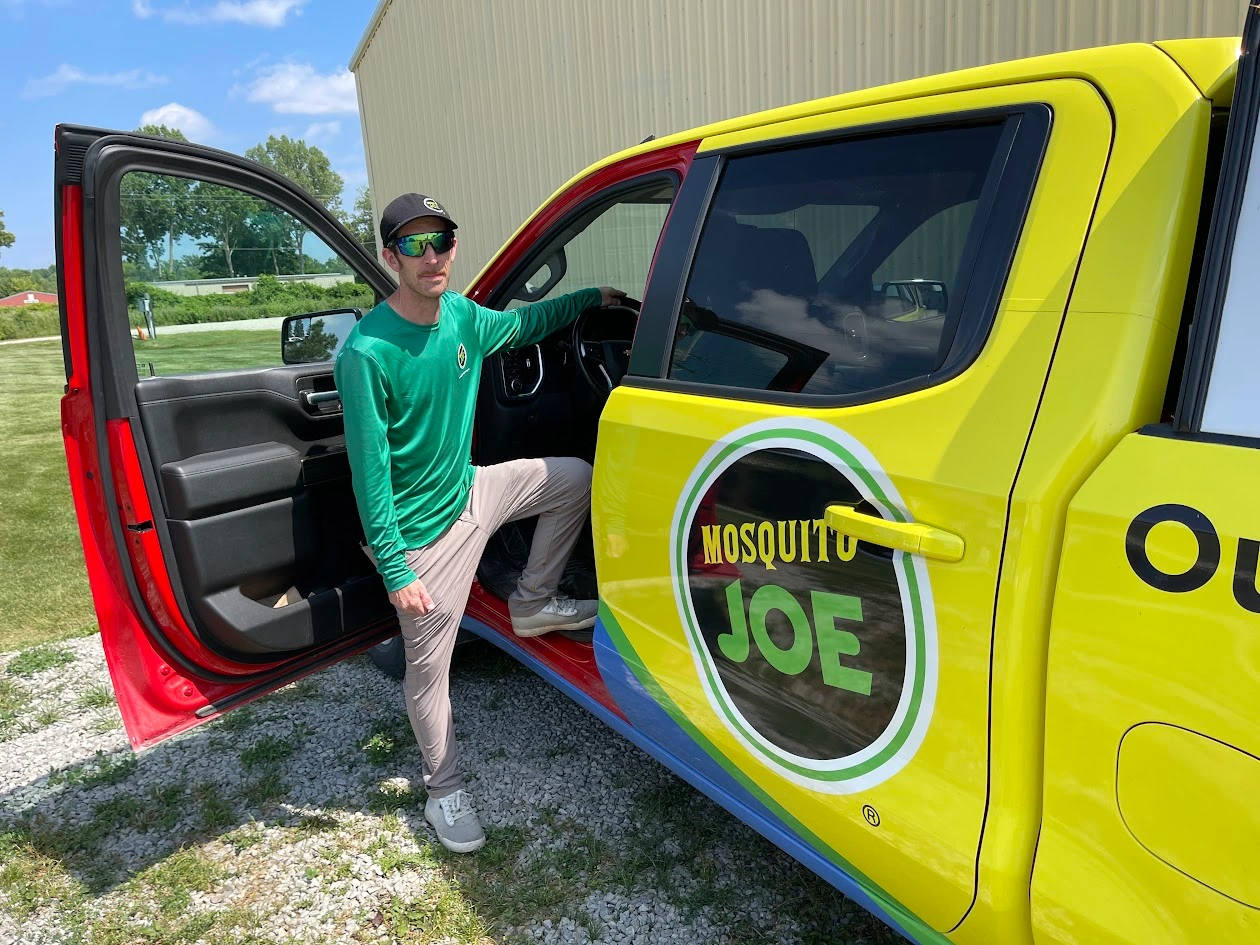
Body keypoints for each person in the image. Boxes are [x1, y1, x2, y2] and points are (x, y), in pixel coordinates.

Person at [334, 192, 625, 854]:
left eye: (441, 239)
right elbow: (368, 472)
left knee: (573, 477)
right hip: (422, 536)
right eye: (413, 244)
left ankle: (531, 602)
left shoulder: (463, 316)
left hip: (472, 491)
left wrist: (590, 298)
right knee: (428, 673)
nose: (431, 255)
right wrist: (396, 565)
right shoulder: (367, 354)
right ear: (390, 257)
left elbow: (525, 328)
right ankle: (444, 791)